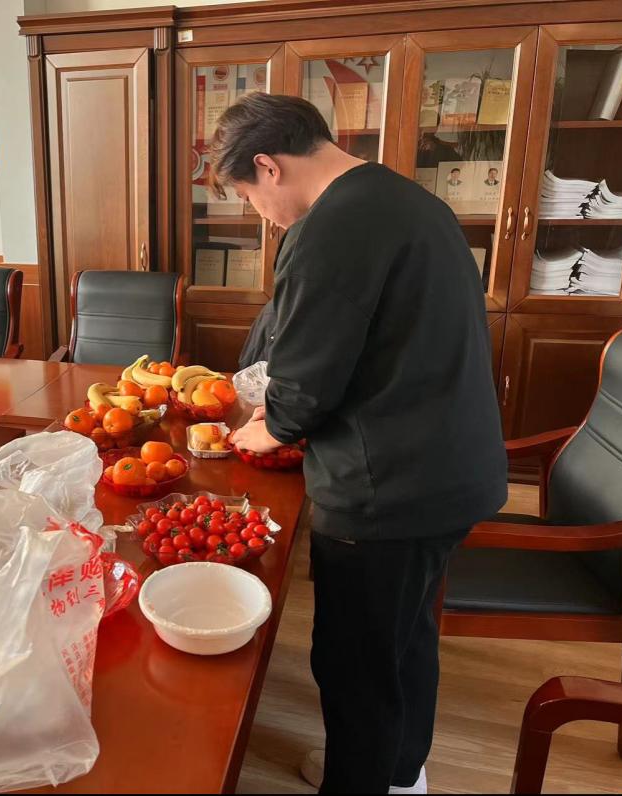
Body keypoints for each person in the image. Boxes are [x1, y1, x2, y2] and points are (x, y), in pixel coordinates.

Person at [212, 93, 507, 794]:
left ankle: (364, 779)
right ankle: (399, 773)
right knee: (404, 640)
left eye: (249, 196)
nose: (262, 214)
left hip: (389, 487)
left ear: (268, 166)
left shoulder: (331, 227)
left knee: (355, 660)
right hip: (450, 469)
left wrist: (265, 427)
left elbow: (305, 382)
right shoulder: (408, 200)